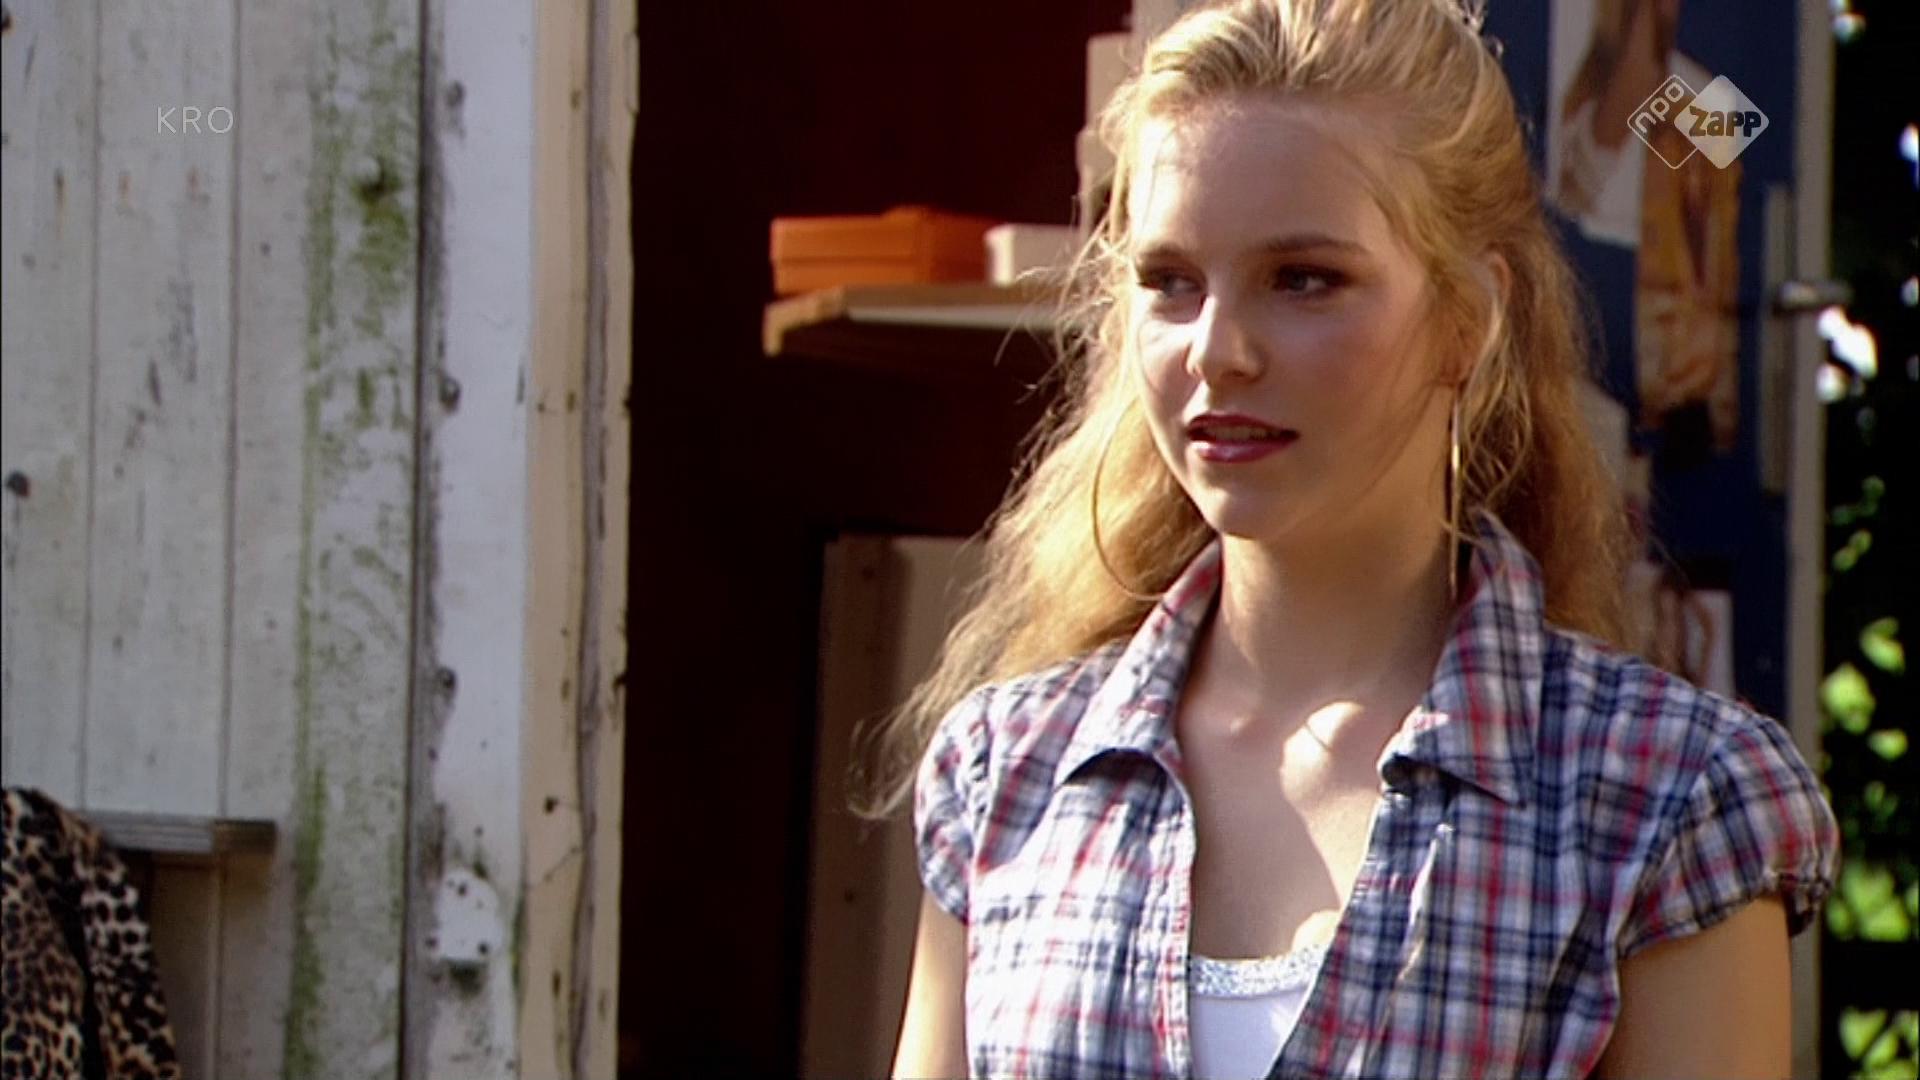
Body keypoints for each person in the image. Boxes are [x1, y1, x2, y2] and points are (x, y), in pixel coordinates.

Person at [859, 1, 1839, 1076]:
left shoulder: (1667, 800)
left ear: (1470, 319)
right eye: (1171, 283)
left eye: (1303, 279)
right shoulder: (1010, 771)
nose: (1217, 351)